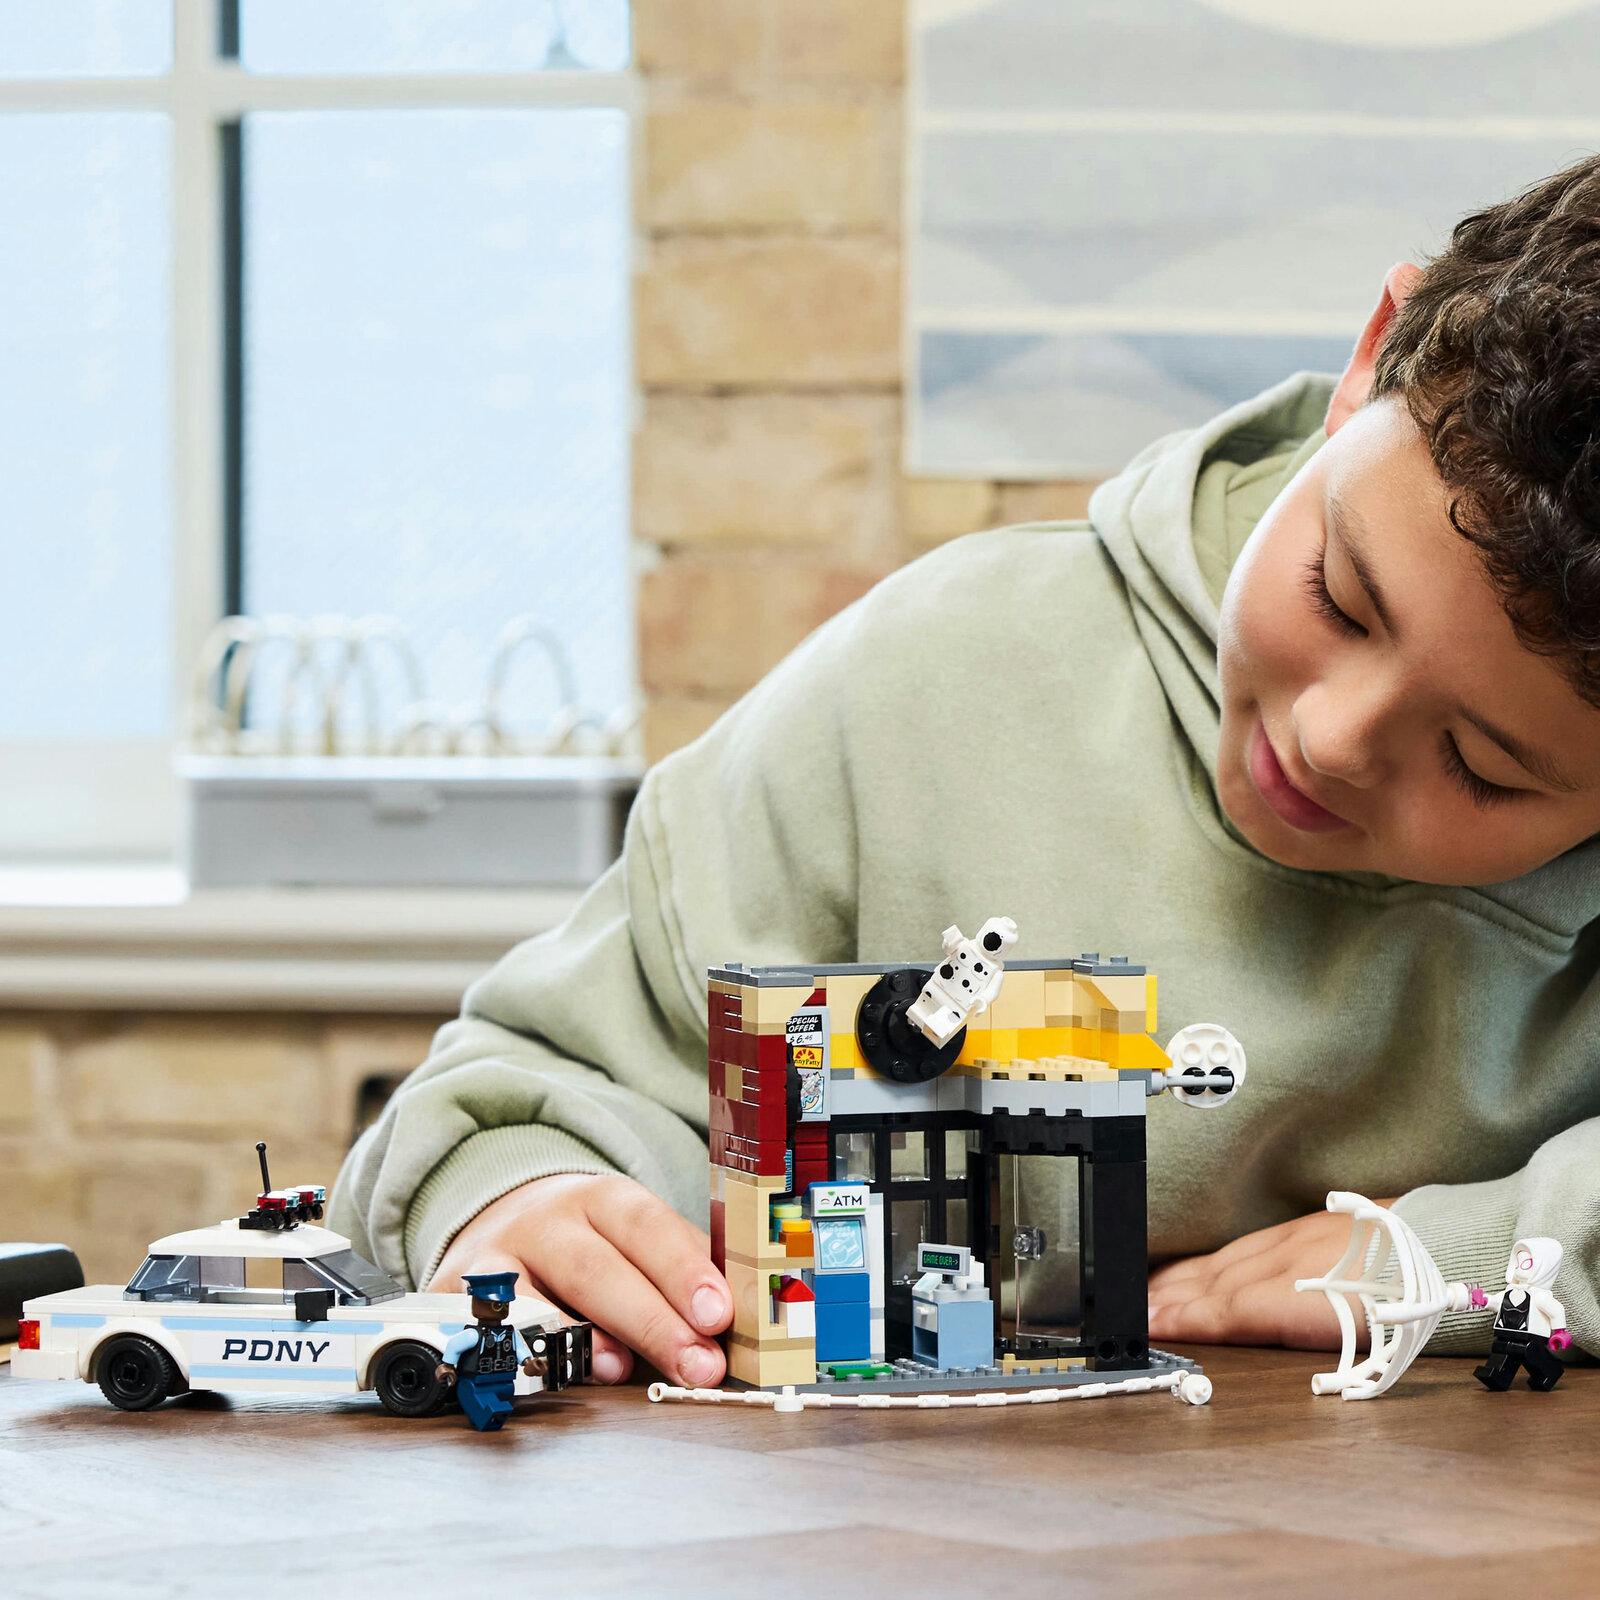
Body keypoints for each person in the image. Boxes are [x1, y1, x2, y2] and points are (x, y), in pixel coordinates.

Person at [332, 156, 1600, 1392]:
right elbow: (532, 1084)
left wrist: (1480, 1258)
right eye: (1338, 593)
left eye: (1479, 765)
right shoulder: (930, 675)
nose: (1331, 738)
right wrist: (523, 1193)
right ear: (1370, 355)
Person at [435, 1269, 546, 1431]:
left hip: (506, 1382)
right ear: (477, 1303)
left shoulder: (510, 1333)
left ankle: (490, 1420)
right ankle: (485, 1421)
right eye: (497, 1305)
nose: (502, 1309)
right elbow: (454, 1345)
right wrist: (447, 1366)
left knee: (501, 1407)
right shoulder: (473, 1334)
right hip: (475, 1383)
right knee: (488, 1410)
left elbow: (520, 1350)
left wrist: (529, 1363)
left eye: (505, 1305)